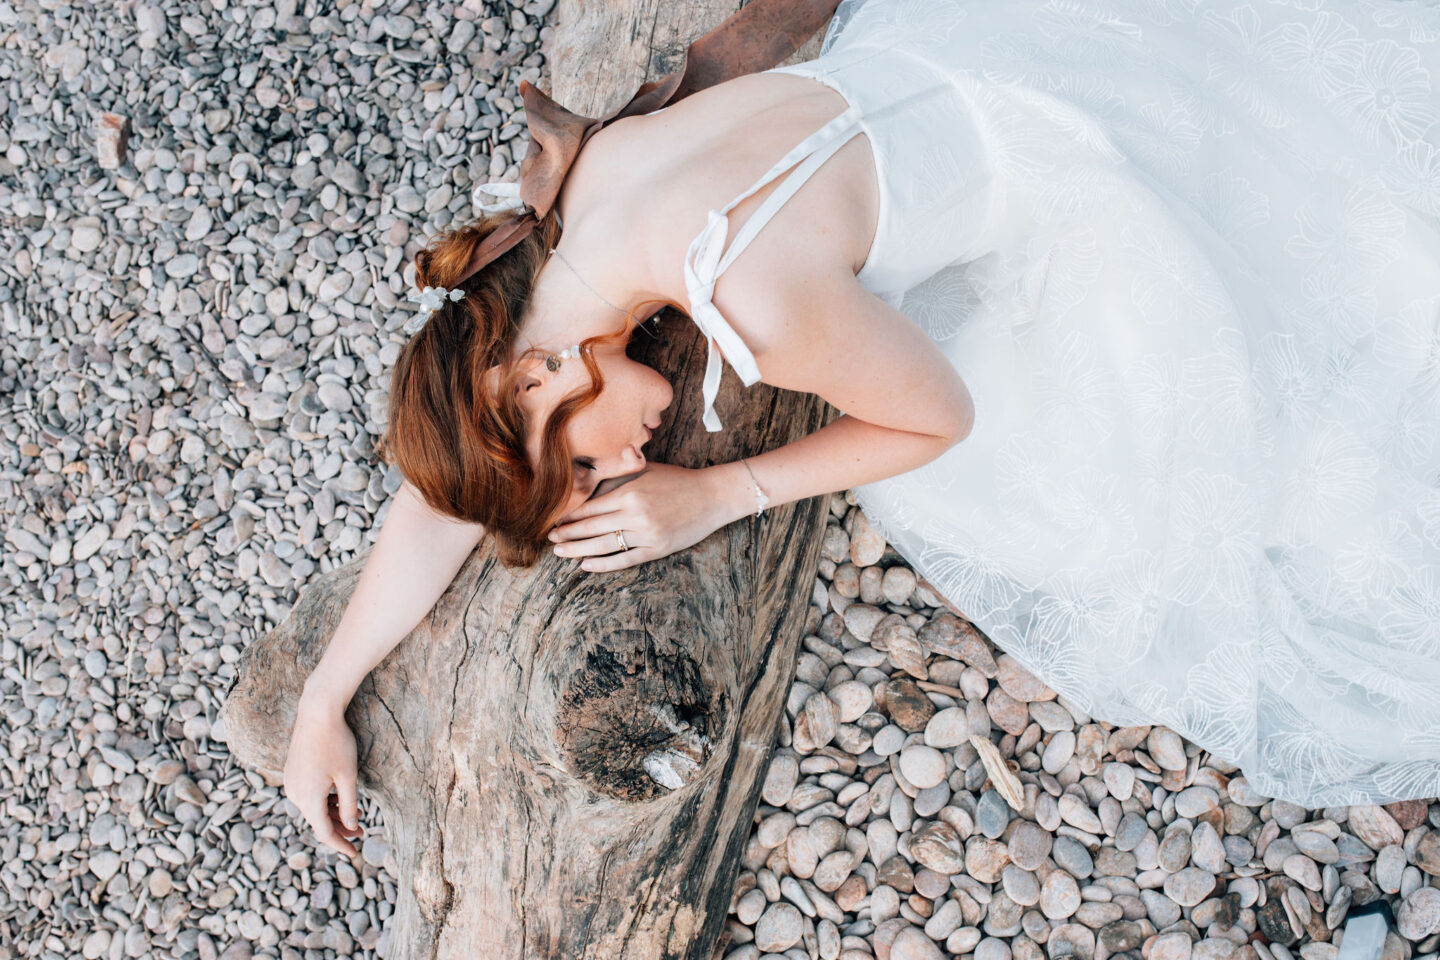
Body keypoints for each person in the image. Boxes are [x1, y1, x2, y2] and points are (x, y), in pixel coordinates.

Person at [284, 0, 1440, 857]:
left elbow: (938, 416)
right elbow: (459, 473)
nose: (630, 462)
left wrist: (723, 493)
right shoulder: (586, 194)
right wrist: (325, 697)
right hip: (983, 52)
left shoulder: (754, 301)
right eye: (603, 478)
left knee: (1112, 508)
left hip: (1073, 188)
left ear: (533, 378)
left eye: (590, 461)